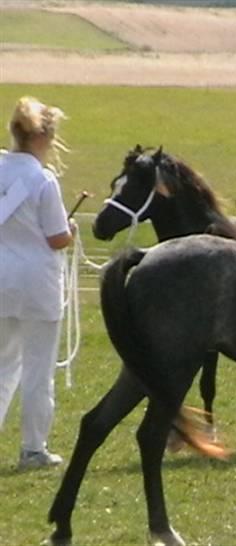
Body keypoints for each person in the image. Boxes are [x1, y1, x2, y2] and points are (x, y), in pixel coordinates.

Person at [0, 96, 76, 469]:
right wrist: (71, 231)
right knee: (37, 368)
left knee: (2, 364)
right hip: (37, 284)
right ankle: (33, 448)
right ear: (44, 137)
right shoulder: (42, 179)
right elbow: (57, 238)